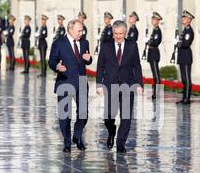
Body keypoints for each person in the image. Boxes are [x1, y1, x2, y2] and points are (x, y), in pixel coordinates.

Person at [96, 20, 143, 153]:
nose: (118, 36)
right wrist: (99, 84)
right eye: (116, 33)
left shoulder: (132, 45)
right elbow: (101, 66)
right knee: (109, 116)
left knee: (126, 117)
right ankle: (111, 132)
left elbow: (137, 66)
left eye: (120, 34)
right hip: (111, 85)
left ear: (125, 32)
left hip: (128, 84)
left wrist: (139, 84)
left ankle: (120, 143)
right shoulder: (106, 46)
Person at [48, 20, 93, 152]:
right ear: (70, 30)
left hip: (82, 82)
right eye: (79, 31)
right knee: (64, 115)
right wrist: (57, 66)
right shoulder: (59, 43)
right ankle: (67, 142)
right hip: (65, 81)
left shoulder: (84, 42)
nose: (81, 33)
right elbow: (51, 60)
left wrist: (89, 59)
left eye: (82, 30)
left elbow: (88, 60)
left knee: (83, 114)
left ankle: (77, 136)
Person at [176, 10, 195, 105]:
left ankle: (187, 98)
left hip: (186, 56)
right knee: (184, 79)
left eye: (184, 18)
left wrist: (178, 43)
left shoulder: (189, 31)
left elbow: (186, 44)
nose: (182, 19)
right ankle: (184, 97)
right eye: (182, 17)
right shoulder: (185, 30)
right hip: (182, 56)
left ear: (189, 20)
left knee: (187, 79)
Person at [146, 12, 162, 99]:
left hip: (154, 53)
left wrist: (149, 42)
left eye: (154, 19)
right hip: (152, 53)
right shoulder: (154, 30)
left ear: (158, 21)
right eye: (152, 19)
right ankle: (155, 93)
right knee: (154, 74)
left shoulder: (157, 31)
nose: (153, 21)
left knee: (156, 75)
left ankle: (157, 94)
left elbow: (155, 42)